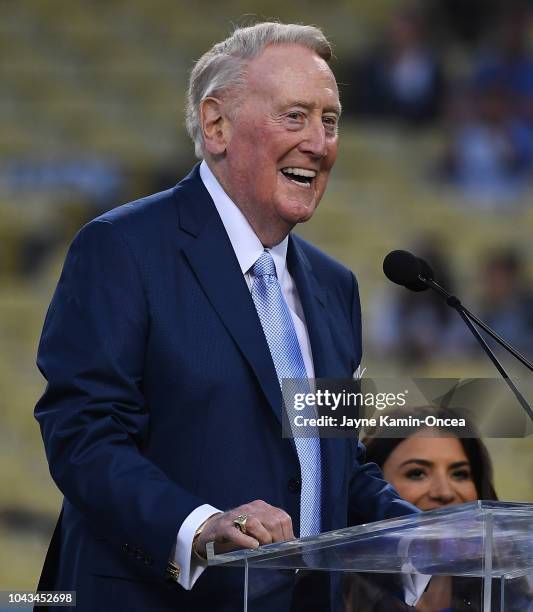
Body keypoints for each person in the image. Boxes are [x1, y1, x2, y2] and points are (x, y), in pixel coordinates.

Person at [34, 22, 421, 612]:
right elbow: (83, 435)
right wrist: (199, 525)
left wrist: (420, 533)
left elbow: (335, 459)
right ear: (216, 125)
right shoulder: (122, 249)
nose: (320, 142)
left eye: (330, 120)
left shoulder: (335, 288)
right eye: (295, 117)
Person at [346, 405, 502, 612]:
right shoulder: (326, 596)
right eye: (417, 473)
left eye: (460, 474)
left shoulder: (509, 594)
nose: (444, 492)